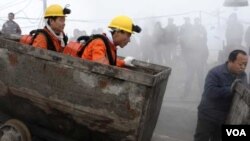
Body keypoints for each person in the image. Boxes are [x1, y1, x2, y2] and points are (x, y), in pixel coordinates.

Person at [194, 49, 248, 141]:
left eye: (245, 65)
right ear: (230, 61)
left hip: (225, 117)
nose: (243, 67)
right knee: (201, 138)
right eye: (240, 64)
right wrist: (230, 89)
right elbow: (209, 92)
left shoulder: (242, 75)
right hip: (208, 115)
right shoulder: (215, 73)